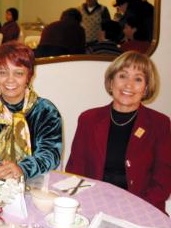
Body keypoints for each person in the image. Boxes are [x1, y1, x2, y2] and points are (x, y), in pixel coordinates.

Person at [66, 51, 171, 213]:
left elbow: (163, 180)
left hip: (143, 208)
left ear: (146, 88)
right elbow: (75, 169)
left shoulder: (159, 124)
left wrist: (134, 209)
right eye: (123, 76)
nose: (129, 85)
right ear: (111, 81)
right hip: (92, 205)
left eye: (138, 79)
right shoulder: (89, 119)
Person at [0, 41, 62, 180]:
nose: (10, 80)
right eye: (3, 72)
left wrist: (22, 169)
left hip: (34, 182)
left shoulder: (45, 111)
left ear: (29, 76)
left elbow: (50, 153)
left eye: (19, 73)